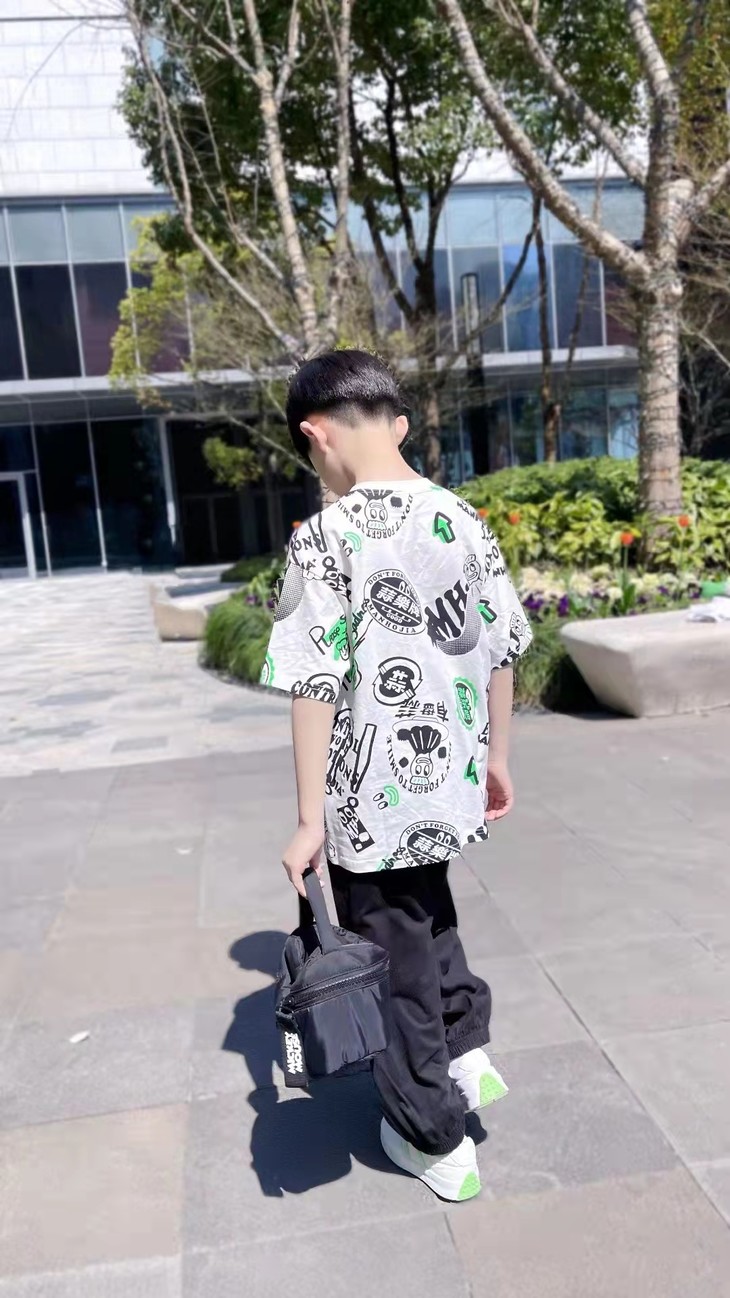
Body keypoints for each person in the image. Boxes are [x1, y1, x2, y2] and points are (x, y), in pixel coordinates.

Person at [260, 349, 532, 1202]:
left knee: (392, 961)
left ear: (316, 435)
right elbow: (503, 647)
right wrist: (497, 757)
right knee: (425, 907)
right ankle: (466, 1044)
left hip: (369, 800)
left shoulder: (324, 538)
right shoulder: (463, 517)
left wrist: (310, 819)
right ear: (400, 424)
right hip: (448, 780)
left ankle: (433, 1138)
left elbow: (313, 682)